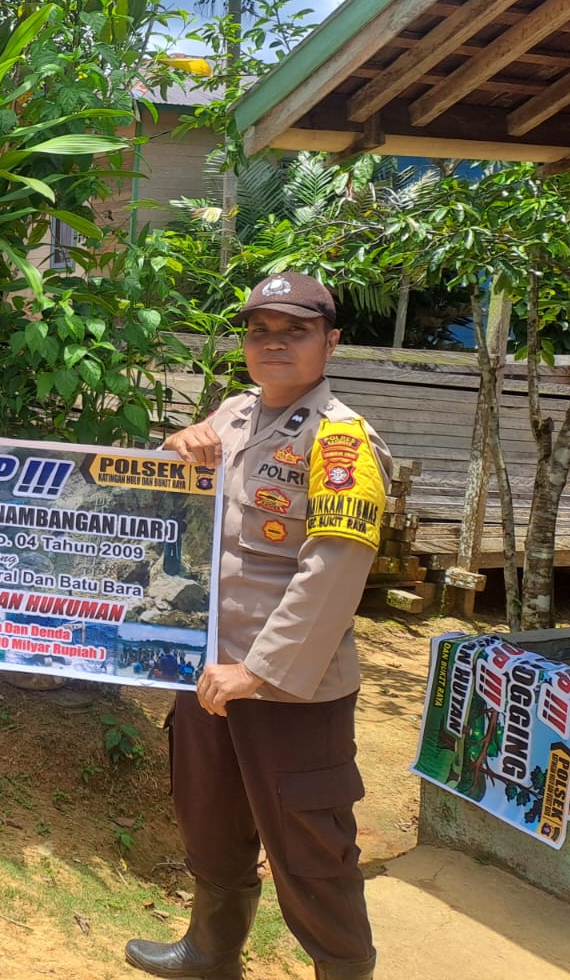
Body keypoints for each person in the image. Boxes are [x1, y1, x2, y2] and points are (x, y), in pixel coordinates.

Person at [125, 273, 389, 980]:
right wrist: (178, 443)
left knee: (311, 846)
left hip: (288, 689)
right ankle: (211, 953)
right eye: (259, 331)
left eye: (295, 330)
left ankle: (341, 969)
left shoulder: (341, 444)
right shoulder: (234, 415)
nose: (273, 343)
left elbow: (333, 571)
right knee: (208, 821)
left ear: (330, 342)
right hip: (207, 668)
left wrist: (261, 670)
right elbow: (164, 495)